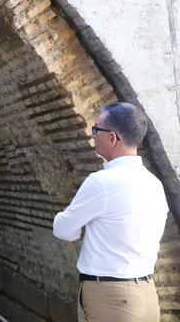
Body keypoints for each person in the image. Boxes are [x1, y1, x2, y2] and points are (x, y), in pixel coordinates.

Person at [53, 102, 168, 322]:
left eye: (96, 129)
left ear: (112, 138)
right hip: (146, 293)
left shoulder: (101, 183)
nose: (92, 135)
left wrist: (81, 224)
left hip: (110, 297)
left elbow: (62, 229)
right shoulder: (154, 184)